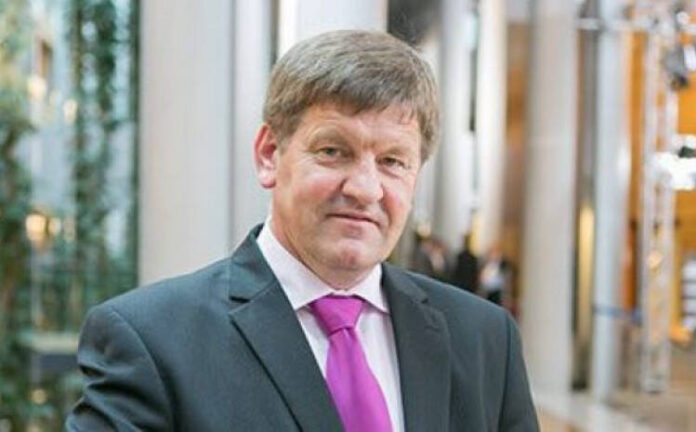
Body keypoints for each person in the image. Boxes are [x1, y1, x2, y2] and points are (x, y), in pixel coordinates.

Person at [66, 30, 538, 431]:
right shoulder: (152, 341)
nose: (365, 189)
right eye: (333, 151)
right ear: (269, 154)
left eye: (393, 161)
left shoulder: (484, 338)